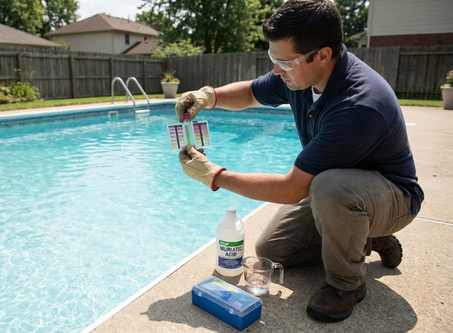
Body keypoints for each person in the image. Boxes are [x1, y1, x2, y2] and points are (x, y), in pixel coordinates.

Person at [176, 0, 424, 323]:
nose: (277, 71)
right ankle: (361, 236)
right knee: (271, 250)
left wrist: (214, 175)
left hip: (393, 196)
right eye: (272, 59)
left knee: (328, 187)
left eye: (285, 62)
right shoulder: (300, 76)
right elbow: (251, 92)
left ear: (322, 54)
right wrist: (209, 96)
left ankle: (347, 283)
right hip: (344, 192)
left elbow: (293, 188)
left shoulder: (360, 104)